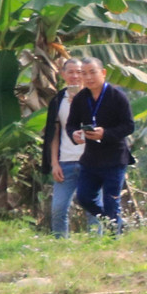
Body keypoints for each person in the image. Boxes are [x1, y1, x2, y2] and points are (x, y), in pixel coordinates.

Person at [68, 60, 134, 234]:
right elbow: (71, 124)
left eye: (92, 72)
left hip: (115, 158)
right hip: (91, 159)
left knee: (111, 201)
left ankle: (113, 240)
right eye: (84, 73)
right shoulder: (81, 98)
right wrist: (74, 134)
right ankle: (115, 223)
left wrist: (104, 133)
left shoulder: (117, 96)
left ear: (103, 73)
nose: (88, 77)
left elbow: (128, 126)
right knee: (83, 198)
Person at [42, 56, 89, 237]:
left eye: (79, 73)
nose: (75, 76)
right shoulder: (58, 100)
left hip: (91, 161)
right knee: (58, 209)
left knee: (93, 208)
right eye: (71, 72)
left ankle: (98, 246)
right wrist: (54, 163)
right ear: (63, 74)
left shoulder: (94, 97)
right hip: (65, 162)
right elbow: (54, 134)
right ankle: (61, 247)